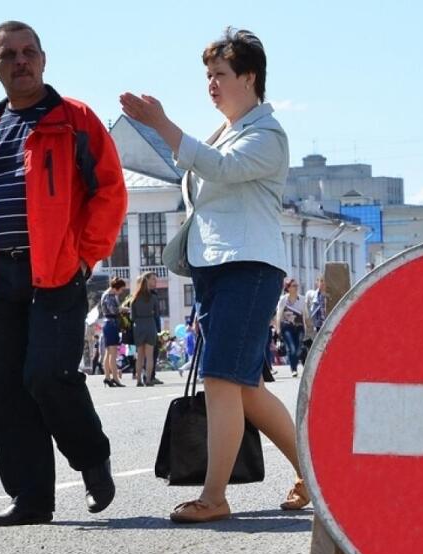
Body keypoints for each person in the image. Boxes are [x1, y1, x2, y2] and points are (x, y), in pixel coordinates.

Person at [0, 21, 126, 527]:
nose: (20, 61)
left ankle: (91, 457)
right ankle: (32, 499)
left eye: (28, 52)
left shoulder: (74, 119)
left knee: (47, 376)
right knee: (8, 389)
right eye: (8, 54)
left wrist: (84, 256)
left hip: (57, 272)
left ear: (44, 59)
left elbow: (110, 191)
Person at [121, 26, 310, 522]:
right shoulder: (225, 131)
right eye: (207, 75)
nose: (211, 83)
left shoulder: (268, 135)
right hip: (217, 269)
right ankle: (315, 474)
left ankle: (215, 496)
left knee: (222, 380)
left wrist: (162, 125)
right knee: (244, 387)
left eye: (220, 74)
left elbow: (222, 170)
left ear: (249, 77)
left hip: (247, 268)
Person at [128, 272, 161, 387]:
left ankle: (138, 380)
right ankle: (148, 379)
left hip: (138, 326)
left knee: (140, 356)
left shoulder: (134, 299)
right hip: (150, 325)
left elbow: (132, 317)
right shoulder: (153, 298)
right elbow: (157, 314)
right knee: (150, 356)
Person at [275, 278, 310, 377]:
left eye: (297, 286)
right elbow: (279, 314)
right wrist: (278, 328)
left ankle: (299, 360)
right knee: (292, 348)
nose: (296, 288)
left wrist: (309, 327)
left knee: (298, 349)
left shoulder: (302, 299)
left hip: (299, 327)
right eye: (294, 286)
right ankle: (294, 369)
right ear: (288, 288)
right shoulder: (283, 299)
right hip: (287, 327)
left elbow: (306, 314)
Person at [99, 277, 128, 387]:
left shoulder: (106, 294)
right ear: (116, 288)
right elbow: (114, 310)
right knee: (113, 353)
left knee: (108, 353)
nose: (121, 292)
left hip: (107, 324)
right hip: (112, 324)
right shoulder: (110, 296)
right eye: (121, 289)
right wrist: (123, 309)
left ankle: (107, 377)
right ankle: (115, 378)